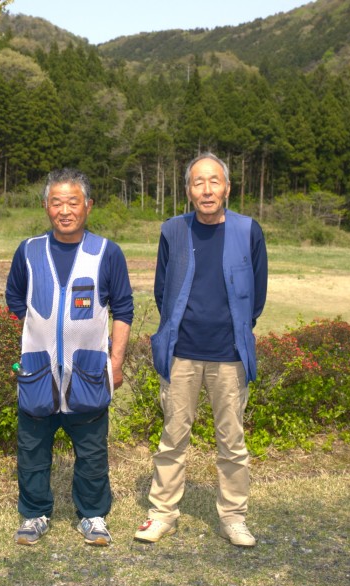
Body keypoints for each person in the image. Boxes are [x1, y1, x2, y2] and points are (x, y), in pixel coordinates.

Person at [134, 152, 268, 547]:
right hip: (182, 353)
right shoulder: (173, 230)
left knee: (232, 443)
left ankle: (234, 518)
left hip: (230, 356)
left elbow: (257, 295)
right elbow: (162, 290)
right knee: (172, 439)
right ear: (188, 190)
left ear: (227, 187)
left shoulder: (248, 230)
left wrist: (235, 328)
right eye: (198, 182)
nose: (207, 189)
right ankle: (162, 514)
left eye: (214, 181)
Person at [5, 168, 134, 546]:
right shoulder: (28, 251)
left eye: (73, 202)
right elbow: (15, 299)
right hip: (38, 372)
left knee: (92, 453)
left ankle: (92, 515)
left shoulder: (107, 252)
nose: (65, 210)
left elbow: (123, 309)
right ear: (46, 206)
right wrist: (40, 333)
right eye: (56, 202)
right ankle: (34, 515)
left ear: (88, 206)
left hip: (88, 373)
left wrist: (116, 362)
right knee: (32, 451)